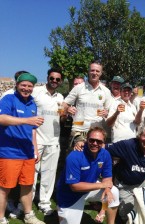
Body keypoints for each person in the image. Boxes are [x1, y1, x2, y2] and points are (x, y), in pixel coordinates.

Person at [0, 73, 45, 224]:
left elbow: (32, 129)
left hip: (27, 152)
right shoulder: (9, 99)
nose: (26, 88)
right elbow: (1, 118)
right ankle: (0, 218)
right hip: (9, 152)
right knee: (5, 187)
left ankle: (28, 215)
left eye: (30, 86)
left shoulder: (32, 103)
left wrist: (35, 149)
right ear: (17, 85)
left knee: (27, 185)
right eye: (23, 85)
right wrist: (27, 120)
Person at [105, 125, 145, 222]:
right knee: (128, 217)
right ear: (139, 136)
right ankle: (132, 213)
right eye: (144, 136)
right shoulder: (127, 145)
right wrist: (82, 143)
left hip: (142, 181)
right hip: (124, 185)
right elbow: (104, 147)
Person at [56, 127, 119, 224]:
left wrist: (107, 190)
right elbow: (74, 186)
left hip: (89, 189)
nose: (95, 143)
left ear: (103, 143)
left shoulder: (105, 154)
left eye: (99, 141)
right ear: (86, 140)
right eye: (92, 140)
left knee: (113, 191)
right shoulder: (74, 156)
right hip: (70, 196)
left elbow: (107, 177)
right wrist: (103, 185)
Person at [30, 68, 64, 215]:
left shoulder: (61, 97)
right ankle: (26, 202)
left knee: (49, 175)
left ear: (60, 81)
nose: (54, 81)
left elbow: (61, 119)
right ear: (48, 78)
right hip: (36, 139)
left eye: (57, 79)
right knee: (32, 173)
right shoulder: (36, 92)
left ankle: (45, 203)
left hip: (53, 140)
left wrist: (66, 115)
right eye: (52, 78)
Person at [63, 60, 113, 146]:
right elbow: (64, 104)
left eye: (97, 71)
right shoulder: (79, 88)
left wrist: (106, 112)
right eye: (92, 70)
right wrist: (68, 109)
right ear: (88, 71)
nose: (94, 73)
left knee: (95, 159)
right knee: (77, 158)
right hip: (79, 130)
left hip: (97, 132)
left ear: (101, 73)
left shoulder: (106, 91)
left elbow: (108, 111)